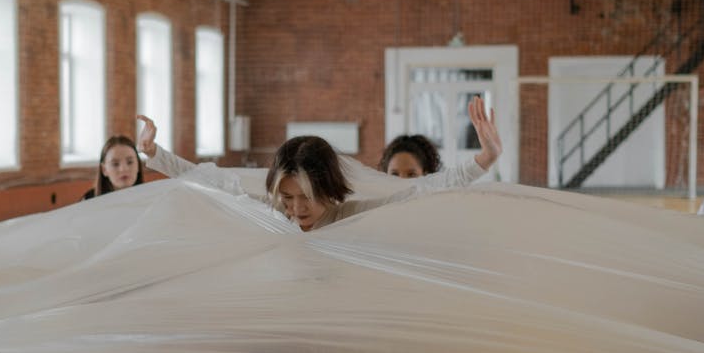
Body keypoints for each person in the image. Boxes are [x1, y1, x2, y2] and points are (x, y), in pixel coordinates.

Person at [138, 96, 501, 232]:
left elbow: (416, 193)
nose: (296, 208)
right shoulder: (272, 211)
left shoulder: (352, 215)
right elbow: (210, 182)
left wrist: (483, 161)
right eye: (288, 196)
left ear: (329, 188)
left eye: (307, 197)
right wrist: (155, 155)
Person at [82, 135, 145, 200]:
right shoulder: (89, 200)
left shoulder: (150, 196)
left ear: (138, 166)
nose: (123, 169)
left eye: (130, 162)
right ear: (104, 170)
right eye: (115, 164)